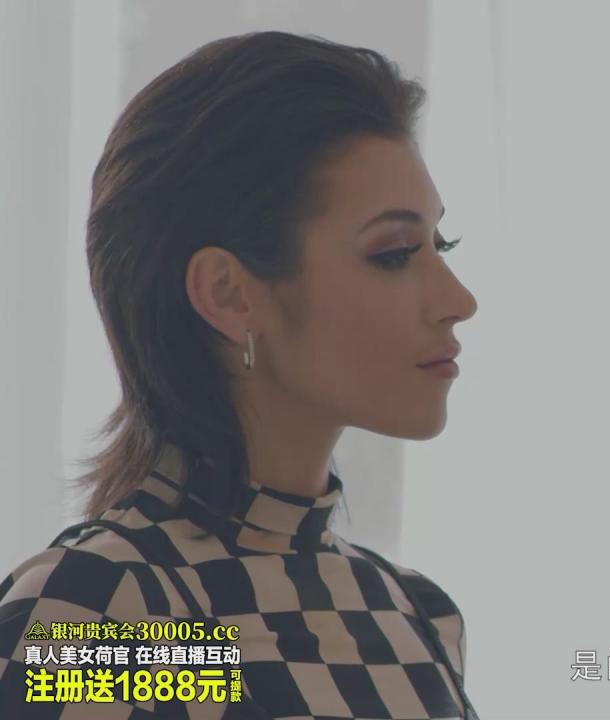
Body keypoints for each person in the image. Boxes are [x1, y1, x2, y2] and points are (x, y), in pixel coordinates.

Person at [0, 31, 479, 719]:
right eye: (396, 253)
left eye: (441, 244)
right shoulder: (114, 618)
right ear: (228, 294)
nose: (458, 300)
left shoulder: (417, 615)